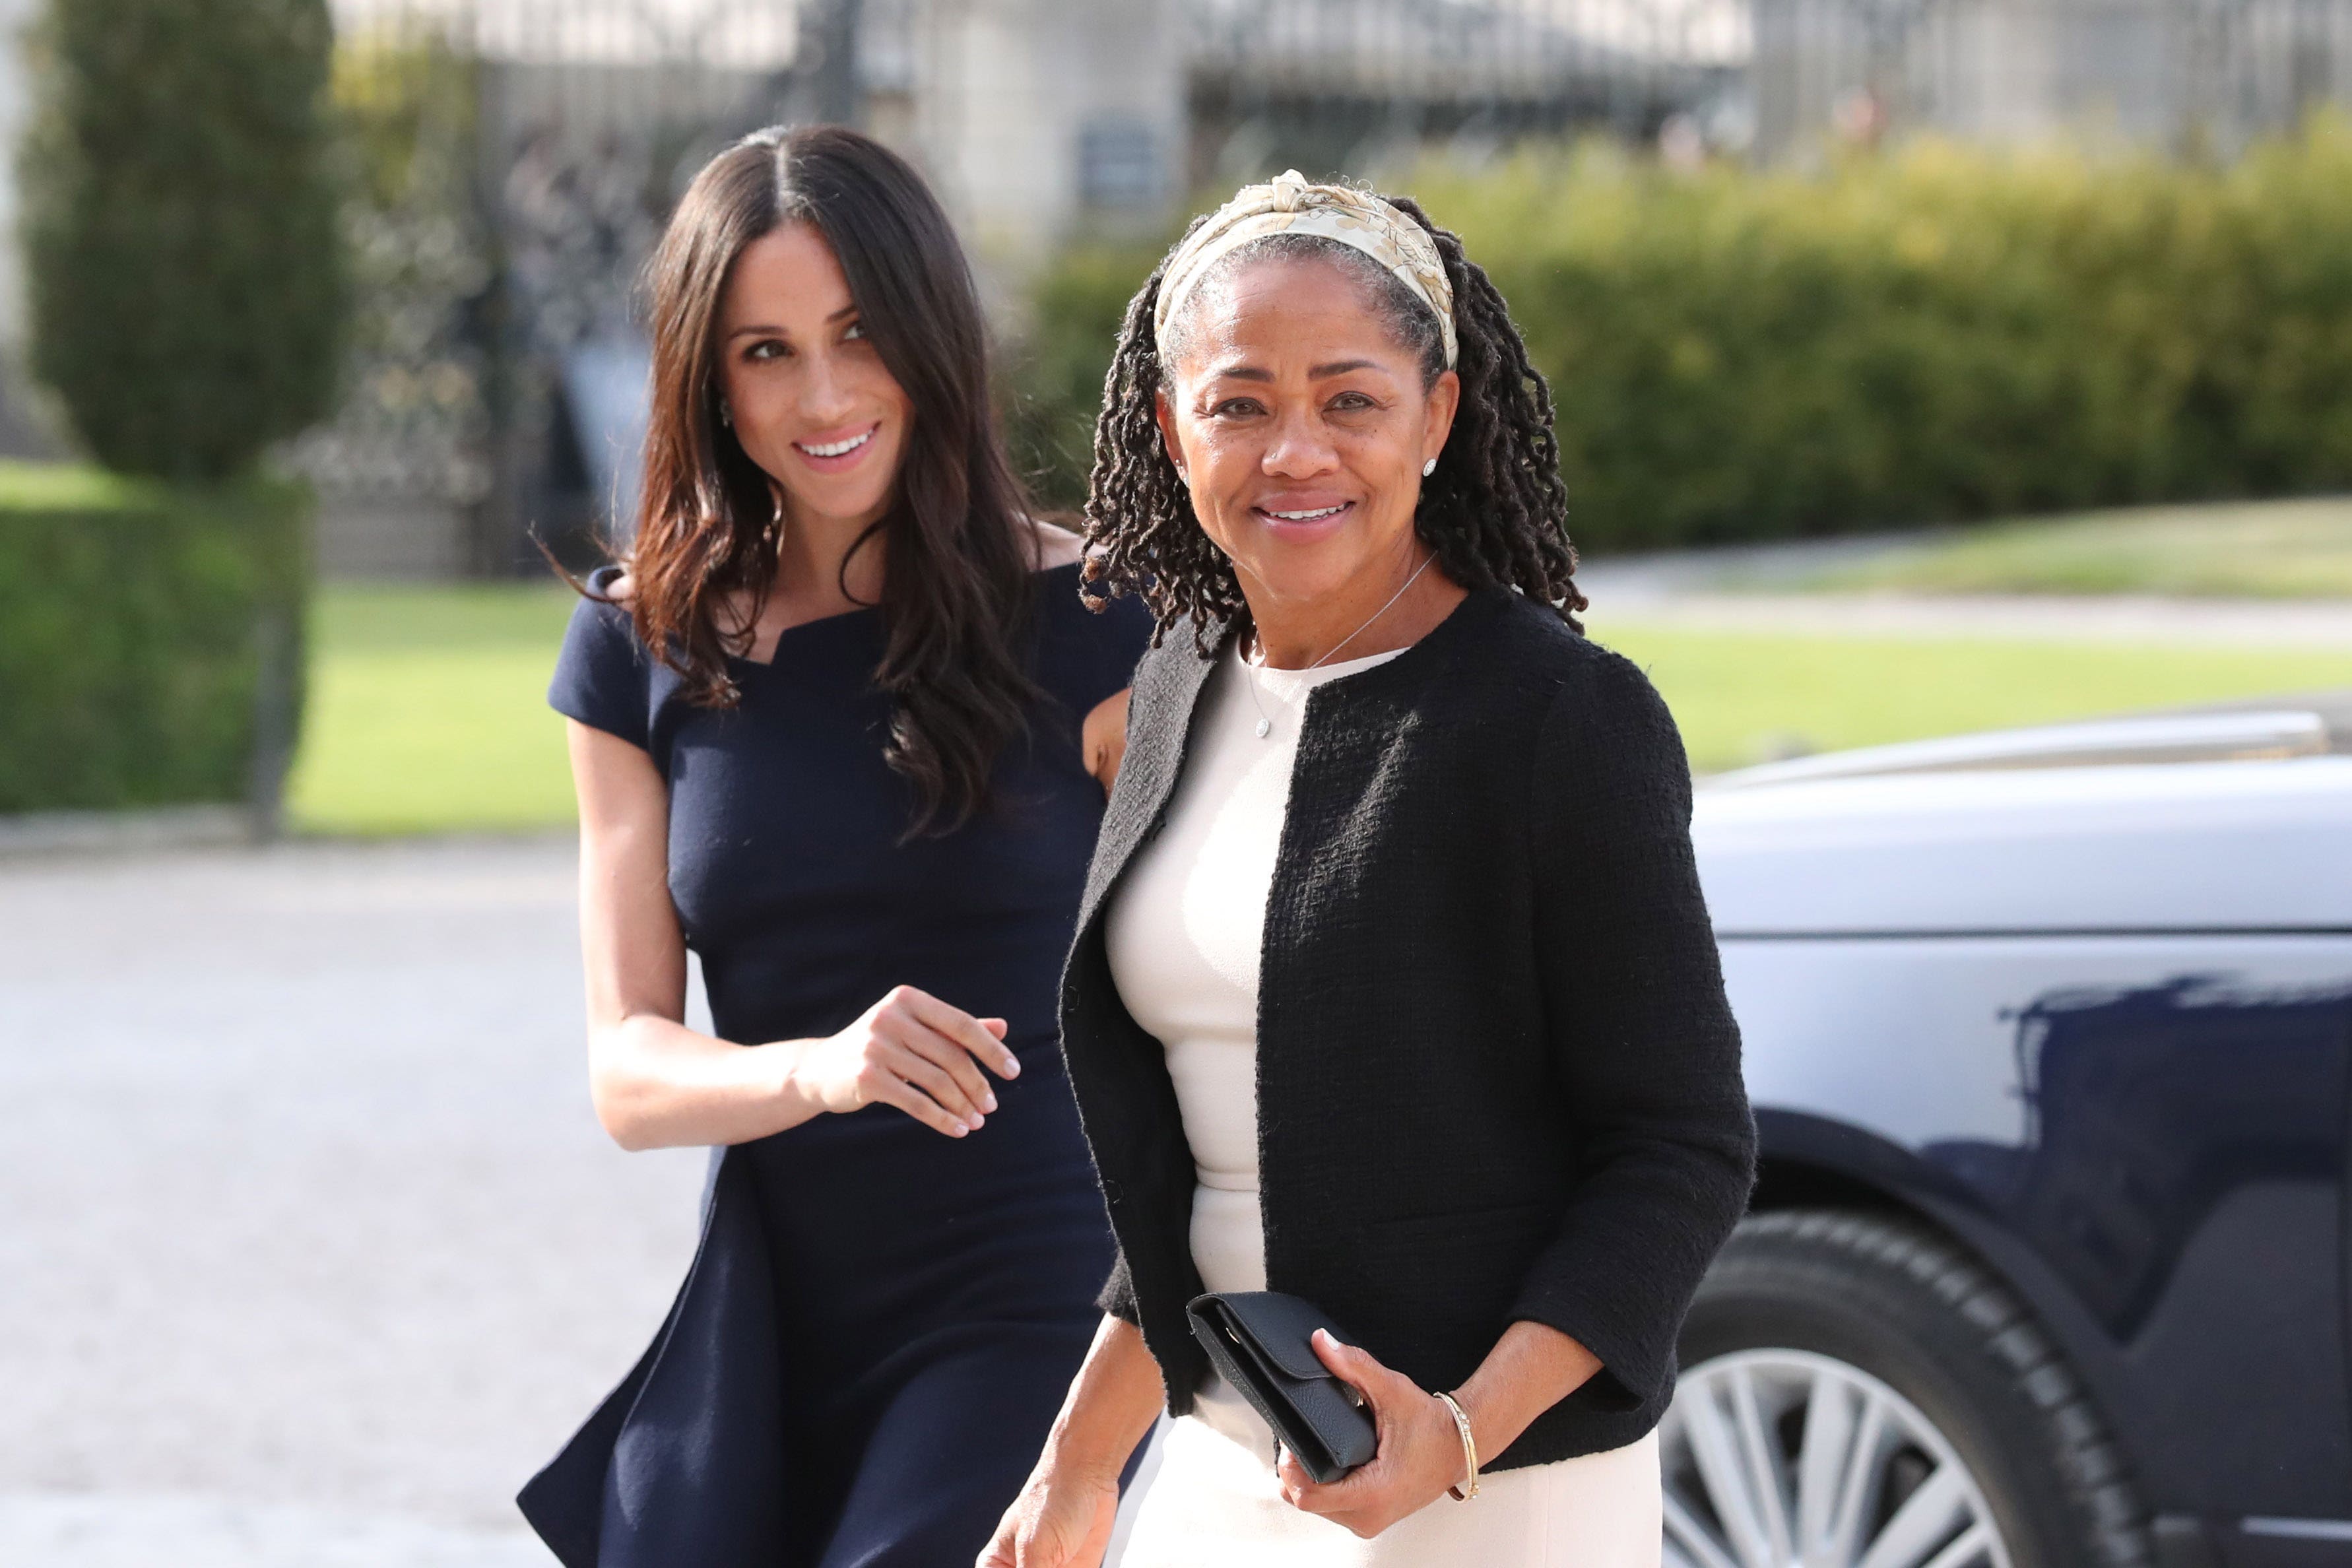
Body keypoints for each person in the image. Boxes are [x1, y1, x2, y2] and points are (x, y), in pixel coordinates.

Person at [981, 172, 1757, 1566]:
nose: (1295, 452)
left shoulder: (1557, 718)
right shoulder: (1172, 696)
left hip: (1489, 1493)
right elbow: (1207, 1168)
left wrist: (1458, 1432)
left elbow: (1680, 1147)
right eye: (1240, 403)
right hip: (1223, 1471)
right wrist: (1077, 1466)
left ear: (1438, 417)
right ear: (1171, 429)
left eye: (1350, 399)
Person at [515, 125, 1152, 1568]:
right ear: (707, 381)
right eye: (764, 351)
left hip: (1035, 1287)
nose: (822, 395)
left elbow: (1231, 993)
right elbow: (627, 1068)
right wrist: (817, 1068)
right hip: (779, 1305)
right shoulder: (638, 649)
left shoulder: (1106, 623)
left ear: (931, 334)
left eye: (860, 333)